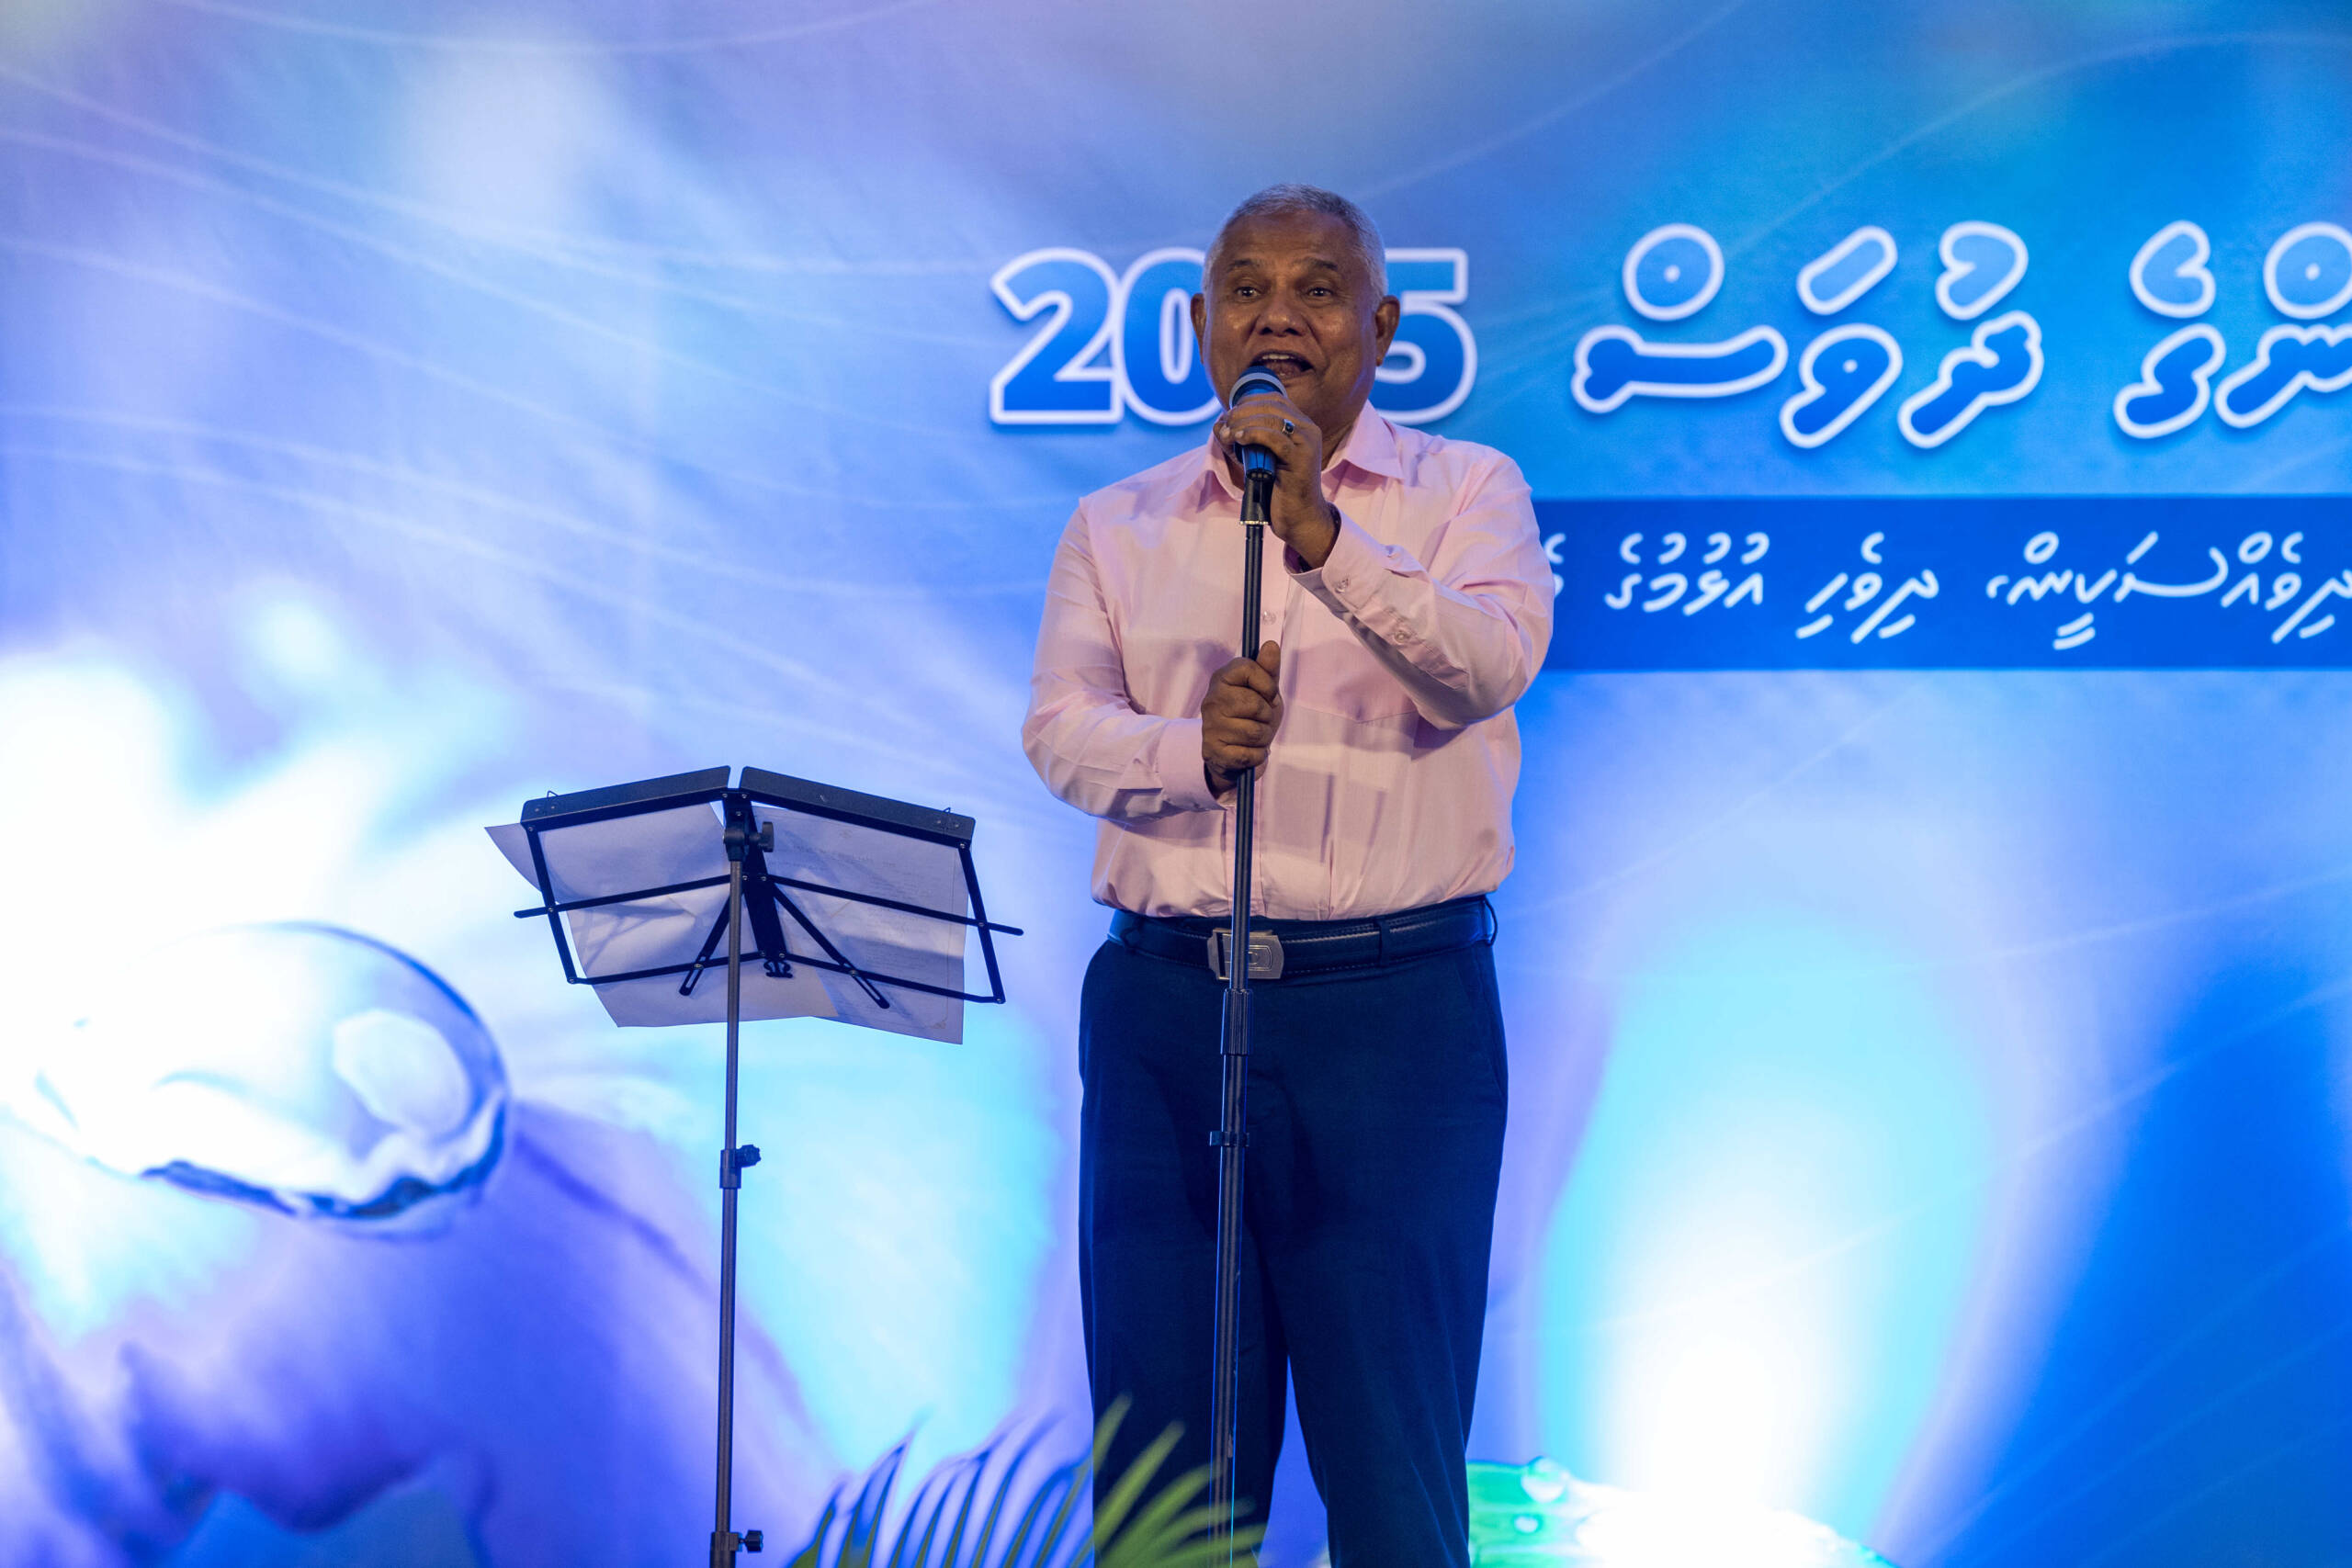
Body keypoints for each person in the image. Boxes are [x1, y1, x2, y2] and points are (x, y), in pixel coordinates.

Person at [1022, 184, 1553, 1567]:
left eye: (1318, 289)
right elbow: (1061, 731)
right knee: (1168, 1489)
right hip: (1168, 1017)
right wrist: (1186, 750)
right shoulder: (1119, 522)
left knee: (1394, 1474)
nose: (1279, 315)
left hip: (1396, 1022)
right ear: (1202, 323)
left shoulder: (1466, 493)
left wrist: (1318, 531)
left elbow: (1484, 667)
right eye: (1248, 289)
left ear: (1382, 326)